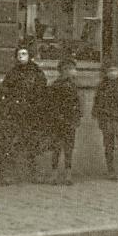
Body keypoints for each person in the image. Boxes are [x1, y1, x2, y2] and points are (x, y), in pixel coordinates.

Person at [0, 41, 47, 183]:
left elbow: (41, 92)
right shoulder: (12, 73)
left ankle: (34, 172)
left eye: (24, 54)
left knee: (33, 143)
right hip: (14, 113)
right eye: (19, 54)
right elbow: (6, 93)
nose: (22, 57)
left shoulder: (37, 73)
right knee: (10, 142)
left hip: (32, 112)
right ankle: (8, 173)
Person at [41, 56, 82, 185]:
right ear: (62, 71)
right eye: (69, 69)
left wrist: (77, 117)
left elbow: (79, 103)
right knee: (56, 148)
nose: (72, 71)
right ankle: (54, 174)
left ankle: (68, 174)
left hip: (70, 121)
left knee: (69, 148)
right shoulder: (56, 85)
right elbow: (50, 104)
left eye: (72, 68)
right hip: (58, 121)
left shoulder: (75, 85)